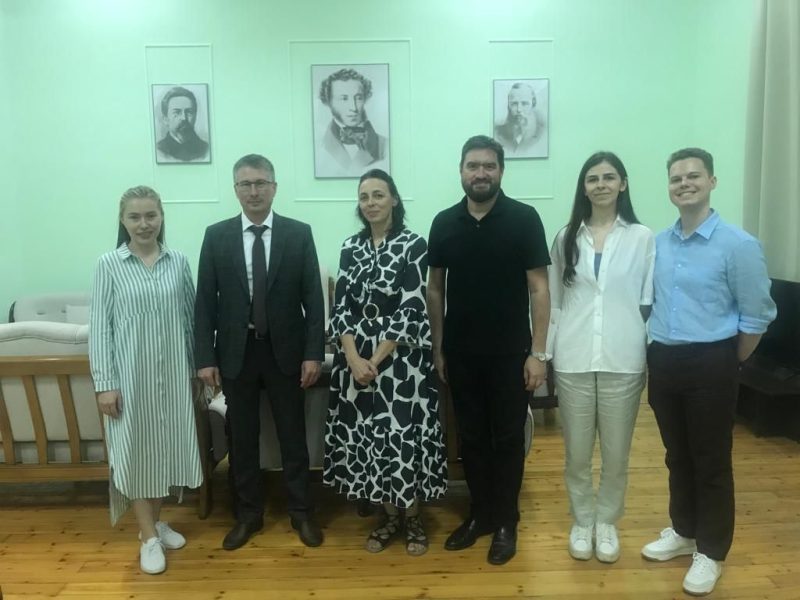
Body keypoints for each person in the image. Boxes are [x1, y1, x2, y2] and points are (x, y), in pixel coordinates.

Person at [642, 148, 776, 596]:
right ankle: (684, 530)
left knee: (711, 460)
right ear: (669, 186)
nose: (684, 184)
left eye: (693, 176)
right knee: (676, 455)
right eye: (676, 178)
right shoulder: (659, 243)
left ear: (712, 182)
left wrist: (729, 359)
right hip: (664, 360)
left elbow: (757, 314)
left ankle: (712, 551)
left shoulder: (738, 244)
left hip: (713, 362)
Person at [427, 135, 551, 565]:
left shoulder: (524, 219)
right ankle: (479, 514)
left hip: (511, 354)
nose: (480, 173)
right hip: (461, 353)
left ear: (501, 171)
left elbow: (539, 288)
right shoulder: (444, 222)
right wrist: (439, 347)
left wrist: (538, 353)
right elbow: (435, 289)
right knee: (472, 438)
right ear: (461, 171)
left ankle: (506, 521)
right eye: (472, 166)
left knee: (508, 439)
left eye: (489, 166)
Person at [194, 154, 326, 551]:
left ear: (274, 187)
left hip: (286, 354)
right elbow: (205, 302)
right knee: (243, 439)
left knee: (293, 437)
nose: (254, 191)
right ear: (236, 189)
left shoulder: (298, 234)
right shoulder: (216, 236)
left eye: (261, 183)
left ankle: (301, 512)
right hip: (237, 354)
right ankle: (248, 515)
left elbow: (313, 299)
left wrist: (313, 353)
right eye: (245, 184)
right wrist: (205, 358)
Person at [324, 168, 447, 556]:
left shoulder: (413, 244)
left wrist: (374, 360)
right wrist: (352, 358)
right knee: (371, 440)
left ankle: (413, 517)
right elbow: (341, 307)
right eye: (364, 197)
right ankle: (389, 516)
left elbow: (411, 307)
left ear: (394, 199)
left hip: (400, 363)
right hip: (355, 362)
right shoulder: (350, 247)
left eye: (378, 195)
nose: (371, 203)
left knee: (401, 438)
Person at [89, 185, 203, 575]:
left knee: (165, 452)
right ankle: (149, 539)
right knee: (137, 455)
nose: (144, 224)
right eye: (135, 217)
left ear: (161, 217)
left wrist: (196, 371)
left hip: (173, 378)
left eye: (150, 215)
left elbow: (190, 322)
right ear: (123, 221)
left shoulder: (178, 262)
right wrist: (105, 383)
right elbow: (100, 329)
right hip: (129, 381)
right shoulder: (109, 265)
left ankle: (153, 523)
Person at [548, 152, 654, 564]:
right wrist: (545, 353)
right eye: (592, 178)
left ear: (623, 184)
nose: (601, 184)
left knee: (616, 454)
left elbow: (647, 302)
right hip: (573, 359)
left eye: (609, 177)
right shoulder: (565, 237)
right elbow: (555, 301)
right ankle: (582, 520)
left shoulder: (642, 237)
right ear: (584, 187)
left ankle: (606, 521)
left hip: (622, 359)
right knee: (576, 454)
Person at [316, 68, 389, 177]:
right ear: (329, 101)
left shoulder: (385, 145)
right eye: (344, 98)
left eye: (358, 98)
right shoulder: (319, 146)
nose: (353, 107)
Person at [156, 86, 210, 162]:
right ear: (165, 119)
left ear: (195, 116)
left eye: (189, 112)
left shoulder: (205, 149)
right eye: (177, 112)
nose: (184, 118)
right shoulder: (159, 150)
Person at [493, 82, 545, 158]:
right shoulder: (498, 133)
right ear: (509, 105)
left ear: (533, 104)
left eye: (524, 104)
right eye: (514, 104)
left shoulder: (542, 134)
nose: (519, 109)